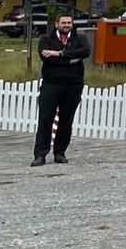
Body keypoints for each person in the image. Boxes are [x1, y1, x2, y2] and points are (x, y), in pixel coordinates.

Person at [32, 13, 90, 167]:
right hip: (51, 84)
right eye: (63, 22)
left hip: (73, 84)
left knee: (66, 120)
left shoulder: (80, 38)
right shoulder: (46, 39)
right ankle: (40, 154)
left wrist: (60, 54)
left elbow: (85, 52)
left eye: (69, 22)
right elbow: (46, 57)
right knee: (45, 120)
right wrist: (71, 59)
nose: (67, 25)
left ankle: (60, 152)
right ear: (57, 23)